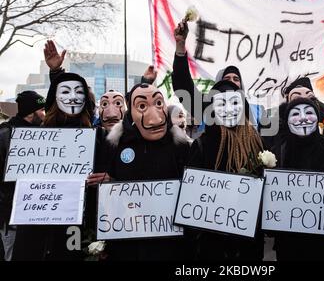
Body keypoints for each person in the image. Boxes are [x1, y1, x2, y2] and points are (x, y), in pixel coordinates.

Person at [12, 70, 110, 260]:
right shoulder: (33, 138)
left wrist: (110, 180)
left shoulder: (100, 137)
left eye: (79, 92)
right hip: (36, 231)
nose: (73, 98)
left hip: (81, 232)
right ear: (54, 100)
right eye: (65, 92)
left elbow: (113, 181)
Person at [104, 83, 190, 260]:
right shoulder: (116, 145)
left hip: (170, 246)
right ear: (131, 114)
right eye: (142, 106)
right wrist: (108, 183)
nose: (155, 119)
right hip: (129, 246)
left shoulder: (180, 147)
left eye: (159, 103)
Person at [186, 80, 266, 261]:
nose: (229, 109)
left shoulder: (257, 142)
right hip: (212, 242)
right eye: (222, 104)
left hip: (248, 241)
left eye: (235, 103)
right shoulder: (202, 145)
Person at [271, 97, 324, 260]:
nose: (302, 118)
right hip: (290, 241)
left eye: (309, 112)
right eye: (295, 114)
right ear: (286, 121)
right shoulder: (277, 151)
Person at [171, 21, 265, 133]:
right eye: (227, 79)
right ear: (218, 84)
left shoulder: (257, 110)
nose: (232, 82)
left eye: (236, 79)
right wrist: (180, 44)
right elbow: (183, 86)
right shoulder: (206, 105)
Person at [0, 91, 46, 261]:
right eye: (41, 110)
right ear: (30, 112)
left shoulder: (44, 134)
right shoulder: (5, 135)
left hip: (36, 215)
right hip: (11, 218)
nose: (44, 114)